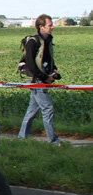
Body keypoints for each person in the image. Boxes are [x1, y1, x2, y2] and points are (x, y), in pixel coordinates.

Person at [18, 14, 62, 145]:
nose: (52, 27)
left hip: (41, 79)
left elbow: (48, 60)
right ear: (41, 27)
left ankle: (21, 138)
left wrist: (54, 72)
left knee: (32, 110)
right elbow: (31, 64)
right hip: (35, 80)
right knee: (48, 108)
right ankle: (54, 141)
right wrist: (45, 78)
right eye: (50, 25)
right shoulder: (33, 42)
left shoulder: (47, 42)